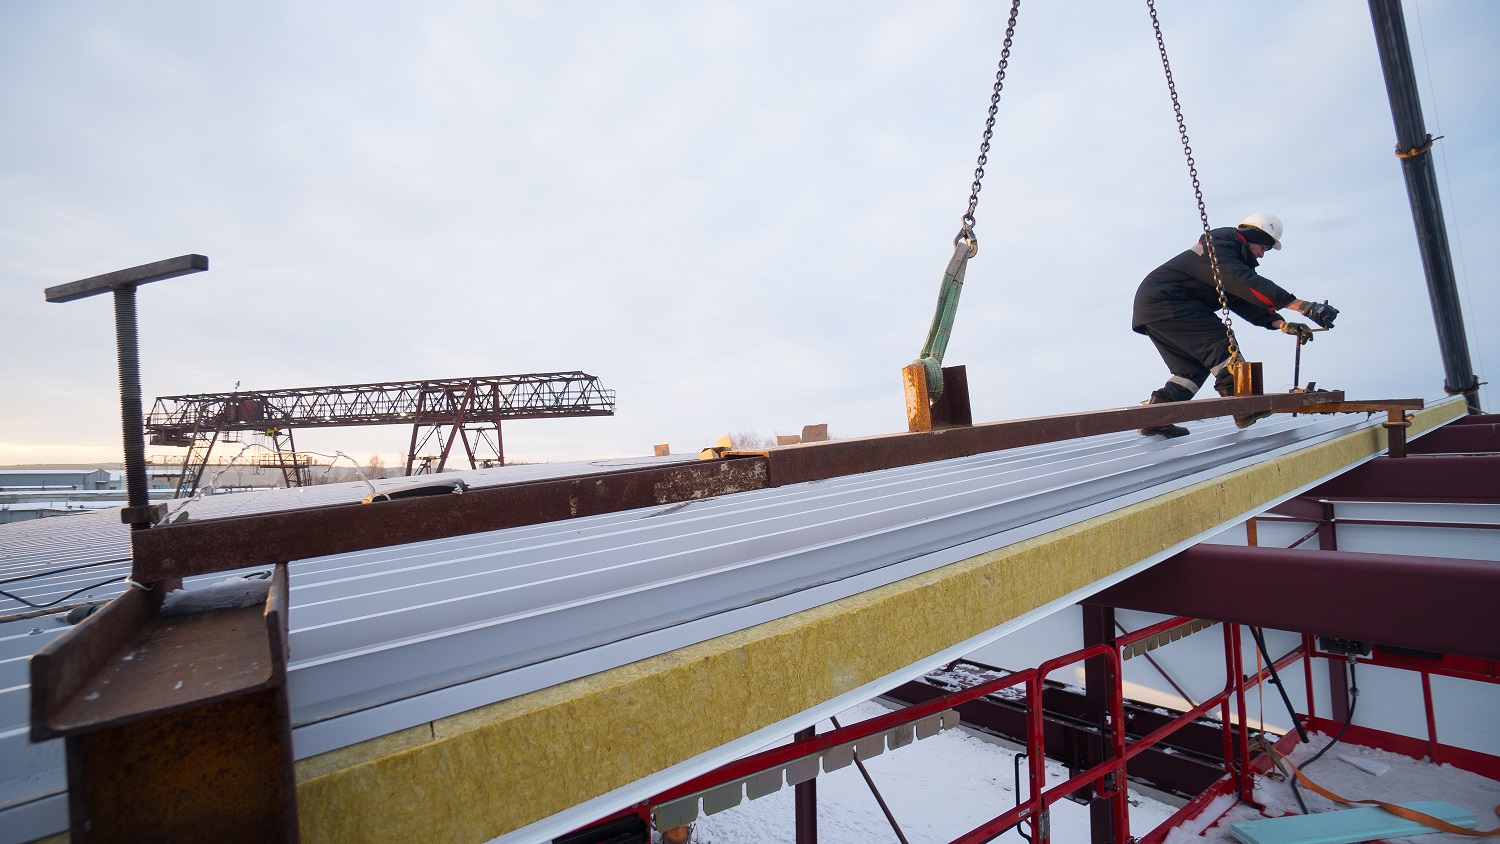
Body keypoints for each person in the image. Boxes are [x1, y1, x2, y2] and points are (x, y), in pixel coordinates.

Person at [1132, 212, 1338, 437]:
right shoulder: (1218, 248)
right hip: (1169, 302)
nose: (1262, 254)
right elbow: (1244, 282)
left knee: (1190, 370)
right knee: (1222, 351)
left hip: (1155, 307)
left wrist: (1281, 324)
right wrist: (1303, 306)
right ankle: (1243, 408)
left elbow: (1242, 297)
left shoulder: (1228, 257)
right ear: (1254, 237)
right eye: (1263, 247)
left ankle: (1155, 418)